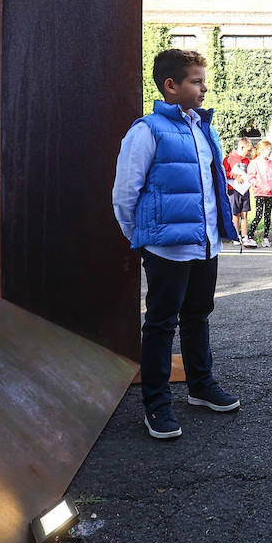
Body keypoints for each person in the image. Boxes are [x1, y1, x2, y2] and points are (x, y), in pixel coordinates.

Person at [112, 49, 242, 440]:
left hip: (204, 246)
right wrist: (141, 239)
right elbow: (125, 192)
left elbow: (210, 185)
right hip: (166, 249)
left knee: (198, 315)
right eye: (196, 81)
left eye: (203, 80)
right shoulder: (146, 131)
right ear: (171, 85)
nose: (204, 88)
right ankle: (157, 403)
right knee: (160, 324)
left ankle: (201, 386)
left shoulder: (204, 128)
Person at [248, 139, 272, 248]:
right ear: (261, 150)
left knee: (267, 216)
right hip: (260, 193)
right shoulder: (254, 163)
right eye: (268, 149)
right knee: (259, 215)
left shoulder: (271, 163)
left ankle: (265, 237)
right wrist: (262, 187)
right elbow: (251, 178)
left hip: (270, 193)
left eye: (271, 149)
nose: (270, 151)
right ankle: (250, 236)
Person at [224, 138, 255, 248]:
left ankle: (244, 236)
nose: (250, 153)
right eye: (248, 150)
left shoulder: (247, 161)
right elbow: (224, 172)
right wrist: (234, 176)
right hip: (234, 189)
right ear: (242, 147)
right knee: (235, 213)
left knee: (245, 213)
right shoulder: (229, 158)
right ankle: (235, 235)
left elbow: (250, 173)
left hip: (244, 189)